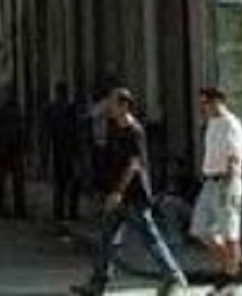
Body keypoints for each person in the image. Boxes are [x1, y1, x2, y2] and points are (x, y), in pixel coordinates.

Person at [70, 88, 188, 296]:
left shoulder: (135, 131)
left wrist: (118, 192)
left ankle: (174, 277)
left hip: (134, 196)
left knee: (150, 238)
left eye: (113, 103)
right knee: (106, 239)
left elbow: (134, 165)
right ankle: (98, 283)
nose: (110, 107)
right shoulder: (114, 127)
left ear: (124, 106)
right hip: (117, 195)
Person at [191, 88, 242, 295]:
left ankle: (229, 279)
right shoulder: (212, 123)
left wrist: (229, 185)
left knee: (230, 233)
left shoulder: (230, 123)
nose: (203, 107)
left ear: (218, 101)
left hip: (226, 181)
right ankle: (235, 264)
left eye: (206, 102)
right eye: (201, 103)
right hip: (210, 181)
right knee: (200, 228)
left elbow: (234, 156)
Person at [43, 82, 83, 222]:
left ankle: (59, 212)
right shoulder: (71, 109)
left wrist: (46, 154)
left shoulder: (51, 109)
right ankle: (72, 211)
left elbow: (46, 132)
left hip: (58, 151)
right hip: (71, 151)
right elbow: (77, 131)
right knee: (73, 183)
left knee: (60, 184)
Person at [0, 94, 27, 219]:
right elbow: (21, 133)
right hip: (13, 151)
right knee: (17, 181)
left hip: (1, 152)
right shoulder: (17, 115)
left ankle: (1, 207)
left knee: (1, 181)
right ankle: (18, 208)